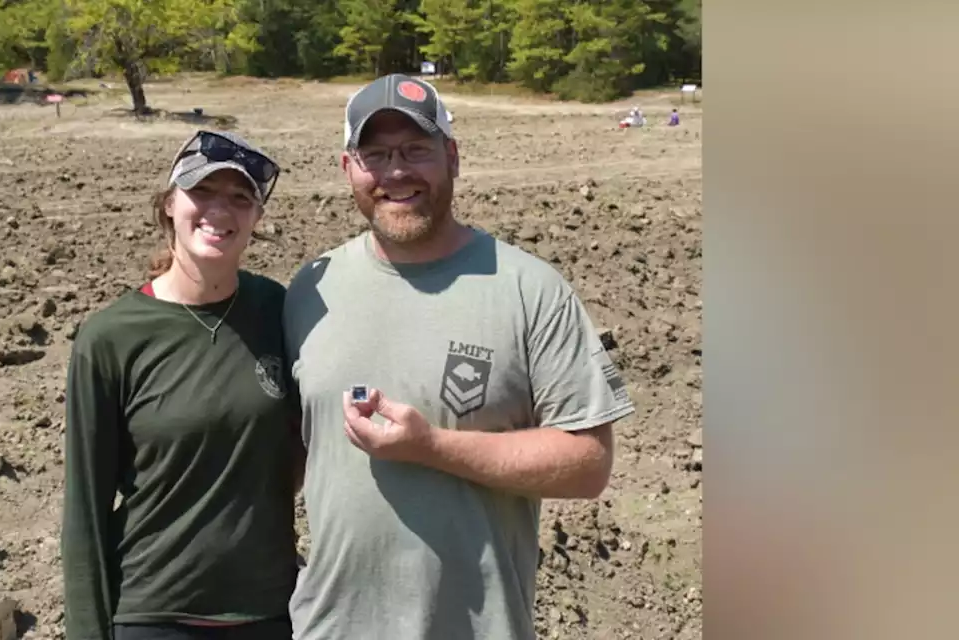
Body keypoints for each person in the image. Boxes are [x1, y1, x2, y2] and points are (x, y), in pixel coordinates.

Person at [283, 74, 637, 640]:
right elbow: (292, 456)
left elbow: (589, 464)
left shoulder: (529, 290)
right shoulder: (311, 289)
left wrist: (433, 447)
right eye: (375, 153)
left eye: (417, 150)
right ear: (348, 167)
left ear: (452, 157)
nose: (396, 172)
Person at [61, 130, 302, 640]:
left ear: (257, 219)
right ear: (170, 204)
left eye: (240, 198)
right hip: (155, 616)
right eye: (202, 191)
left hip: (267, 612)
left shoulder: (279, 312)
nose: (221, 210)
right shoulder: (111, 338)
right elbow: (85, 509)